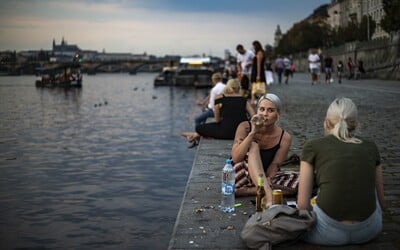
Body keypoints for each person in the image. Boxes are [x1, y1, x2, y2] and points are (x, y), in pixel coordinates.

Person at [297, 97, 384, 246]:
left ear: (327, 122)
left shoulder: (312, 146)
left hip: (325, 233)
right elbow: (381, 202)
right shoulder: (371, 147)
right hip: (369, 231)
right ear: (355, 124)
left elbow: (303, 205)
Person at [231, 93, 292, 205]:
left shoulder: (284, 137)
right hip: (241, 174)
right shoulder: (245, 127)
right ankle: (268, 196)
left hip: (263, 176)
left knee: (301, 183)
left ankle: (250, 191)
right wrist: (252, 133)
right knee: (253, 145)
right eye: (262, 109)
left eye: (270, 110)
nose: (265, 114)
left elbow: (275, 165)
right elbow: (235, 158)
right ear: (257, 111)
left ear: (278, 114)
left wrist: (269, 178)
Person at [181, 79, 255, 145]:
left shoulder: (219, 98)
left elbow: (216, 120)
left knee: (199, 128)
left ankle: (194, 135)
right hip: (241, 133)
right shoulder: (243, 99)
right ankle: (194, 136)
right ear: (239, 88)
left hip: (225, 133)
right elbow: (253, 116)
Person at [250, 40, 266, 105]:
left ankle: (254, 101)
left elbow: (258, 64)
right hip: (256, 71)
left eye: (253, 46)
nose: (252, 47)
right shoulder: (258, 52)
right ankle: (253, 101)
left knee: (259, 88)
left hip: (257, 72)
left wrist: (258, 75)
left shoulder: (259, 53)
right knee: (255, 87)